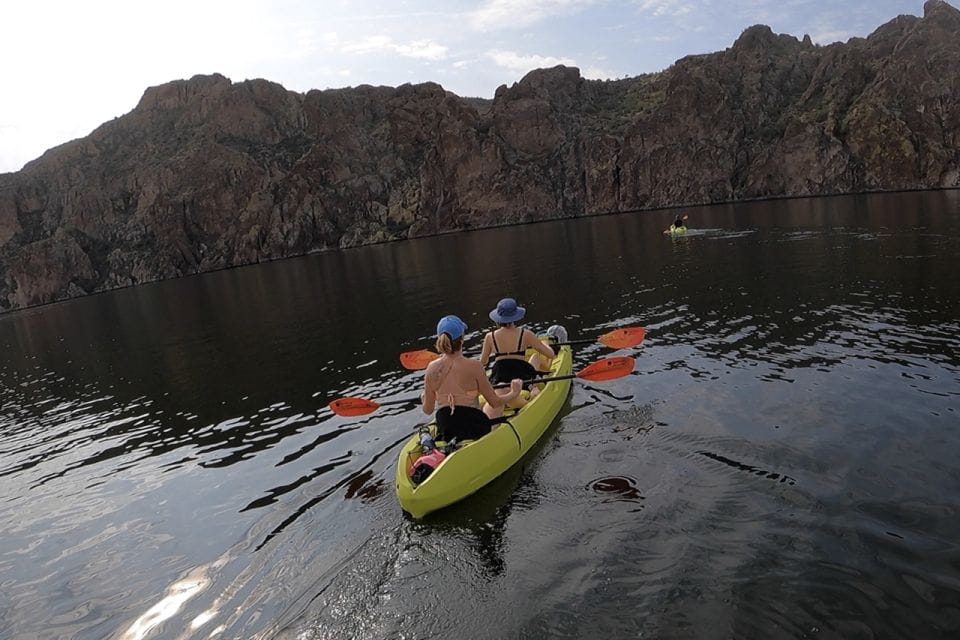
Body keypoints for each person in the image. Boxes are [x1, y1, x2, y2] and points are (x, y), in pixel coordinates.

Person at [422, 315, 524, 442]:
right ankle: (494, 437)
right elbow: (495, 402)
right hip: (473, 428)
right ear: (462, 339)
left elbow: (428, 410)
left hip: (446, 428)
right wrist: (514, 392)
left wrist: (424, 398)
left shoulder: (431, 368)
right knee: (500, 395)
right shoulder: (474, 366)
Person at [480, 298, 555, 387]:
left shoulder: (490, 336)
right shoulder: (526, 334)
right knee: (536, 357)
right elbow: (550, 354)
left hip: (499, 375)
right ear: (515, 317)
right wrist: (546, 344)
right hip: (521, 375)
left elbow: (483, 362)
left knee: (535, 357)